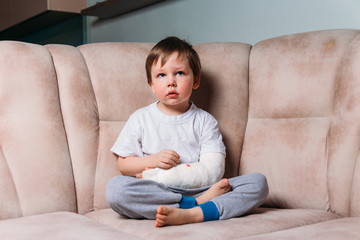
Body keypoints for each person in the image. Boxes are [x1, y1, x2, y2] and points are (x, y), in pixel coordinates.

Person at [106, 36, 268, 227]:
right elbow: (124, 165)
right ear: (151, 84)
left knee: (258, 183)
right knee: (116, 189)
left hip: (203, 189)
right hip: (157, 191)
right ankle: (194, 207)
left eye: (180, 73)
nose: (171, 82)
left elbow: (214, 171)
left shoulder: (205, 121)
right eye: (161, 75)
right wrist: (151, 161)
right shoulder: (140, 118)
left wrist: (202, 192)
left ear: (196, 80)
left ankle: (192, 214)